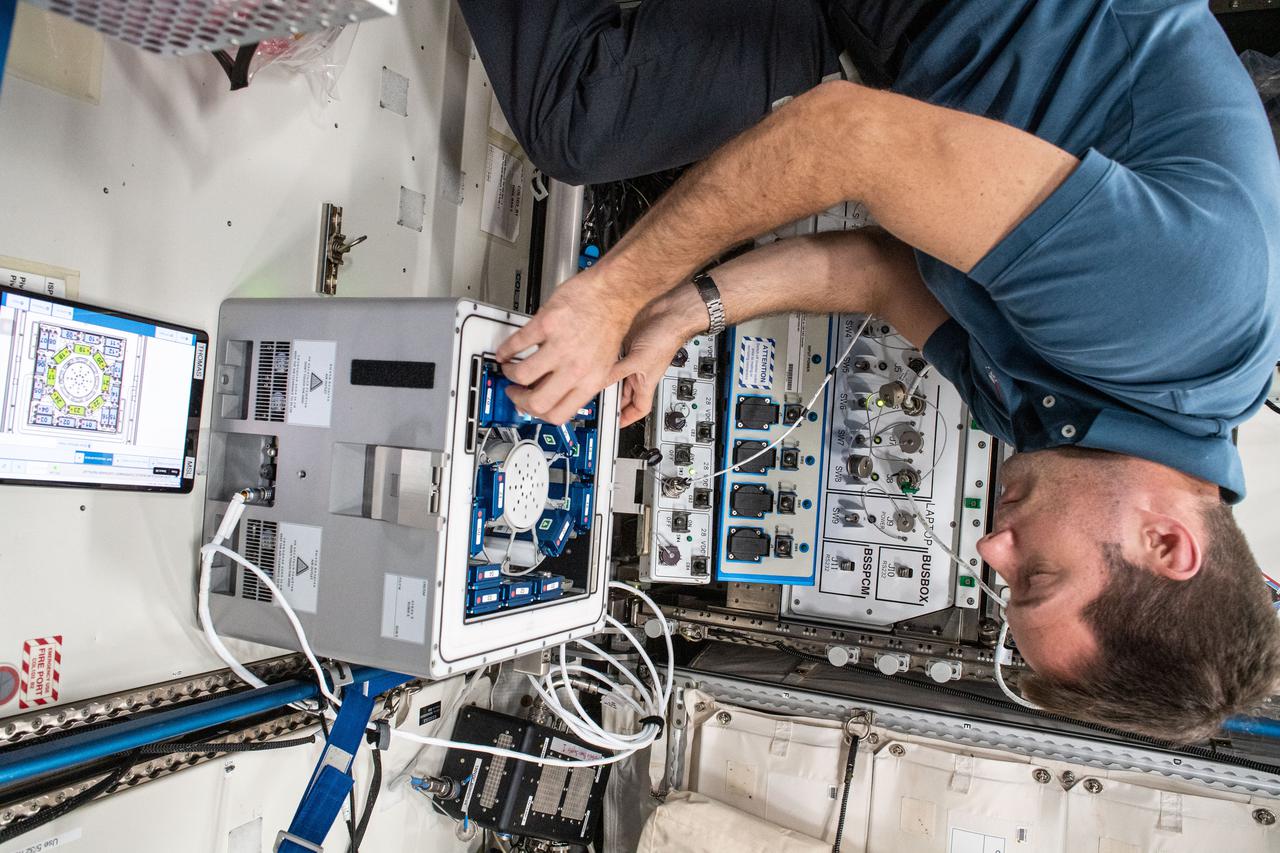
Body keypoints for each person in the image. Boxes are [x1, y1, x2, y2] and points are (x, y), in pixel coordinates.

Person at [456, 0, 1280, 742]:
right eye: (1037, 574)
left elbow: (879, 276)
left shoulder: (1060, 433)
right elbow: (847, 138)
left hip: (893, 52)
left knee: (586, 113)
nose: (992, 548)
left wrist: (679, 312)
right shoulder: (1179, 313)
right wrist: (613, 292)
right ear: (1165, 541)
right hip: (924, 33)